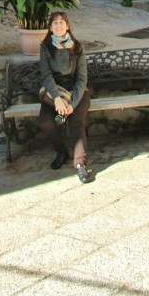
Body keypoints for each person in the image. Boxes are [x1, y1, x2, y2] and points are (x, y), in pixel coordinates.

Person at [38, 10, 92, 183]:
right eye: (55, 23)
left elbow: (82, 78)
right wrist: (57, 98)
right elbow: (46, 75)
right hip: (55, 92)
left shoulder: (77, 47)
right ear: (50, 28)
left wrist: (72, 104)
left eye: (62, 22)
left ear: (67, 26)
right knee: (45, 122)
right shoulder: (45, 47)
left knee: (76, 122)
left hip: (76, 92)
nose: (59, 25)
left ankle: (80, 164)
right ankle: (61, 151)